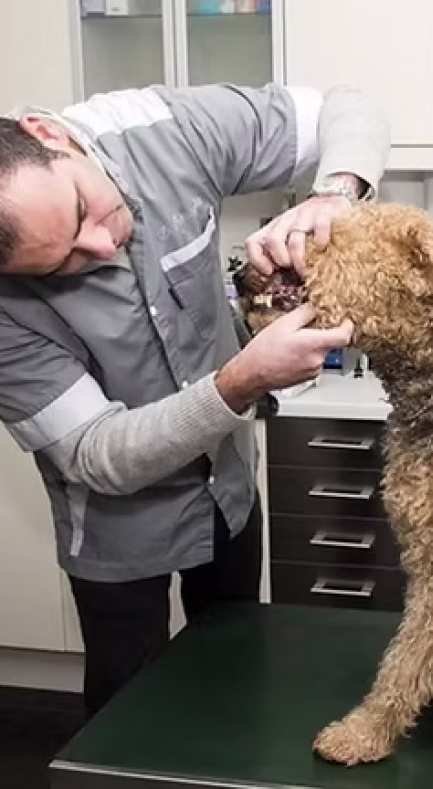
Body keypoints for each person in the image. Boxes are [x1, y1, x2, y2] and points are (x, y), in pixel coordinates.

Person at [0, 81, 390, 716]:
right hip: (115, 532)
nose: (98, 248)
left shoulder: (164, 128)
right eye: (58, 264)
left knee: (237, 680)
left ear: (51, 136)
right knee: (124, 717)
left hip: (227, 491)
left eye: (81, 214)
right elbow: (97, 453)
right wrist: (243, 379)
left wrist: (335, 195)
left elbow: (350, 105)